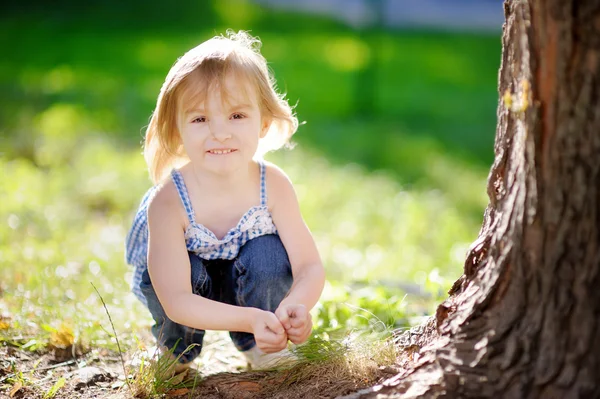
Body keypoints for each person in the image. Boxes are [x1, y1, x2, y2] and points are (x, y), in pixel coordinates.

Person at [124, 30, 325, 371]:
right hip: (183, 293)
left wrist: (297, 305)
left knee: (268, 255)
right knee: (183, 280)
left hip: (252, 289)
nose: (220, 132)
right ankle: (174, 351)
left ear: (262, 122)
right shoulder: (168, 202)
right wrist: (248, 317)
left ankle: (264, 345)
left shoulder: (273, 185)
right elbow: (176, 299)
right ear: (177, 130)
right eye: (200, 119)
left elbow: (309, 266)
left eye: (236, 116)